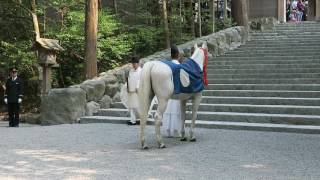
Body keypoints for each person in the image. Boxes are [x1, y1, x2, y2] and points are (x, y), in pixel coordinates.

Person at [162, 45, 182, 137]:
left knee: (168, 110)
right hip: (177, 91)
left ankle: (167, 130)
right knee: (176, 110)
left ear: (171, 55)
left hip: (167, 92)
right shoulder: (179, 66)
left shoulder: (166, 65)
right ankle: (175, 130)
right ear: (178, 55)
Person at [126, 56, 142, 125]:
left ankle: (142, 119)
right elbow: (129, 79)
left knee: (138, 106)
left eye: (135, 63)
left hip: (138, 91)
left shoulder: (141, 71)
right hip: (131, 91)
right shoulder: (131, 71)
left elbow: (141, 80)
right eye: (133, 64)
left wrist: (138, 87)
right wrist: (128, 87)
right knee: (131, 106)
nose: (133, 65)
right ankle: (133, 120)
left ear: (138, 63)